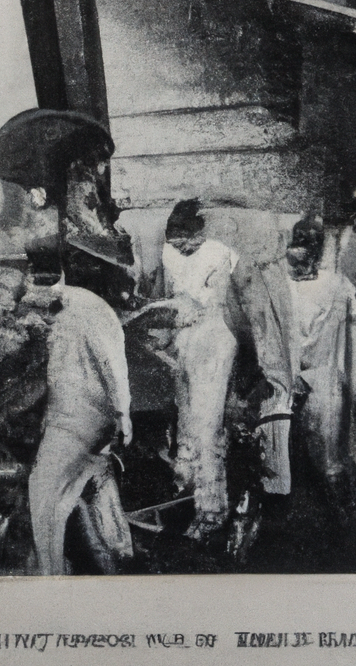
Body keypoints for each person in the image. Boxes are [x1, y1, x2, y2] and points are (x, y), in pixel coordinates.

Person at [237, 214, 356, 511]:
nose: (303, 252)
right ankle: (272, 502)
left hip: (321, 374)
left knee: (327, 440)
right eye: (299, 243)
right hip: (281, 374)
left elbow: (354, 323)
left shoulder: (337, 284)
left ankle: (339, 504)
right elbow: (262, 329)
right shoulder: (277, 285)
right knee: (269, 445)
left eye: (311, 244)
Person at [27, 279, 133, 575]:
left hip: (81, 418)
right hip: (67, 416)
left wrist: (123, 412)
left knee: (42, 488)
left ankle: (50, 576)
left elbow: (112, 363)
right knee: (52, 492)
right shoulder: (68, 308)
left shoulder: (86, 310)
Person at [160, 198, 240, 540]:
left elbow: (225, 301)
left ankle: (213, 509)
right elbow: (169, 292)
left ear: (201, 233)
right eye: (175, 240)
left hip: (215, 340)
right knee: (186, 421)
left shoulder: (222, 253)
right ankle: (185, 488)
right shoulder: (169, 253)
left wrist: (194, 307)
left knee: (208, 426)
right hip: (184, 342)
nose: (181, 246)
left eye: (187, 239)